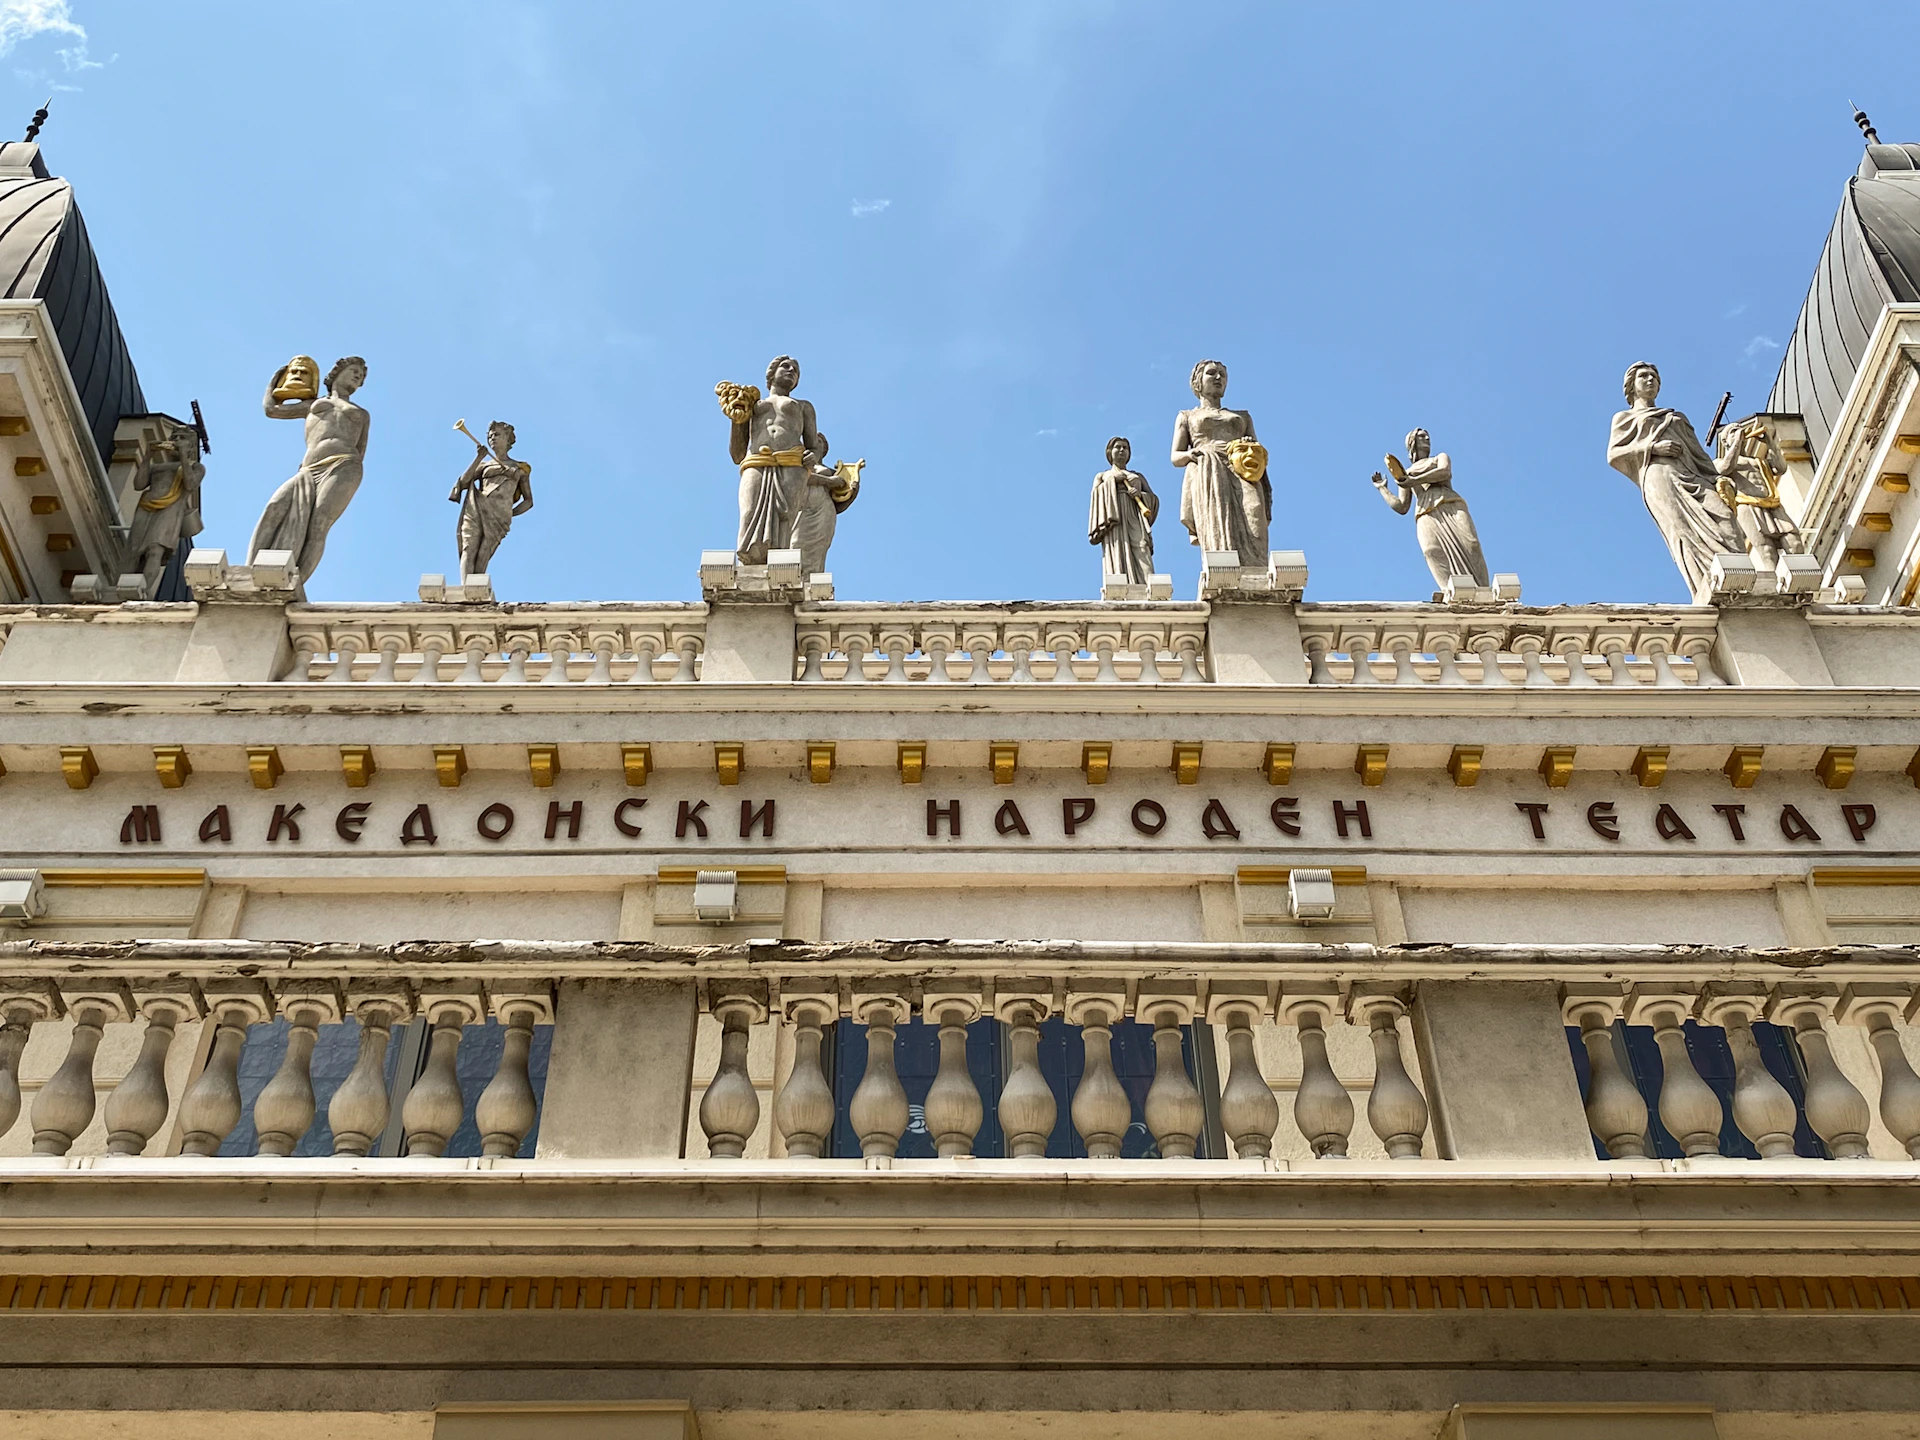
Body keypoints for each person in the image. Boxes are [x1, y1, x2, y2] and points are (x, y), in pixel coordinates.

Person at [1606, 362, 1744, 596]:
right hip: (1660, 476)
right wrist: (1654, 447)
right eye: (1643, 376)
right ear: (1631, 386)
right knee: (1681, 529)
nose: (1650, 380)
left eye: (1654, 377)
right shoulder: (1624, 418)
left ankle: (1740, 575)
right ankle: (1705, 585)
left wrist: (1734, 450)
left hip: (1693, 475)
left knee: (1726, 520)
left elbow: (1705, 462)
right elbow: (1614, 454)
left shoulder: (1676, 418)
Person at [248, 355, 370, 583]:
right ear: (336, 373)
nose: (358, 376)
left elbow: (361, 449)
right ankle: (249, 573)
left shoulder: (362, 414)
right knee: (275, 506)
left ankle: (296, 581)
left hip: (344, 464)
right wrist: (276, 380)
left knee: (319, 523)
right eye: (354, 370)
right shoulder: (313, 405)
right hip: (309, 468)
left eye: (361, 376)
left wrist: (351, 471)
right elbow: (271, 410)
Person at [724, 355, 822, 565]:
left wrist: (813, 455)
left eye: (795, 370)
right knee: (749, 511)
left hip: (792, 464)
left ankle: (780, 567)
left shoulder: (803, 406)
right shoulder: (753, 404)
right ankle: (749, 563)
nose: (791, 371)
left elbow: (814, 445)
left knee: (786, 516)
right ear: (771, 373)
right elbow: (737, 453)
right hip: (757, 462)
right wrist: (736, 419)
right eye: (785, 366)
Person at [1171, 358, 1268, 568]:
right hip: (1209, 469)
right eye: (1211, 373)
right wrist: (1193, 454)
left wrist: (1249, 444)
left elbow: (1259, 451)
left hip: (1241, 468)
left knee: (1254, 512)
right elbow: (1175, 457)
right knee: (1215, 522)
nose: (1218, 378)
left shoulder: (1242, 416)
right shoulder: (1187, 416)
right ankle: (1222, 570)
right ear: (1198, 382)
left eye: (1222, 375)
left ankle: (1256, 570)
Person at [1369, 428, 1489, 591]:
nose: (1427, 438)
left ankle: (1483, 590)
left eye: (1427, 436)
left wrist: (1414, 480)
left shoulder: (1440, 457)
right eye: (1421, 436)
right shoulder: (1407, 473)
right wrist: (1382, 488)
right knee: (1431, 550)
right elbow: (1402, 506)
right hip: (1425, 511)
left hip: (1450, 503)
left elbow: (1444, 472)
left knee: (1472, 544)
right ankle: (1448, 590)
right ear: (1412, 443)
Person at [124, 420, 204, 595]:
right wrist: (147, 456)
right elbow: (138, 484)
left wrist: (184, 456)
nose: (176, 440)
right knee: (133, 551)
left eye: (182, 438)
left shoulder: (195, 467)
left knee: (155, 550)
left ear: (190, 446)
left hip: (170, 511)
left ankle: (142, 590)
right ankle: (122, 587)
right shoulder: (157, 467)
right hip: (146, 508)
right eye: (174, 437)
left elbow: (190, 484)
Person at [450, 420, 534, 580]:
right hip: (476, 507)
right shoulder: (484, 465)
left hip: (499, 514)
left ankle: (476, 588)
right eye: (490, 436)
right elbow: (464, 481)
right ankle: (466, 588)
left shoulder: (520, 468)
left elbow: (528, 501)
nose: (492, 438)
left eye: (497, 435)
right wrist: (478, 458)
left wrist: (510, 512)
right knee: (469, 548)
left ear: (508, 439)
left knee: (484, 552)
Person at [1088, 436, 1158, 585]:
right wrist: (1113, 481)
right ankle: (1120, 583)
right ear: (1109, 452)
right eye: (1118, 447)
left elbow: (1153, 499)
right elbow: (1095, 496)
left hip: (1134, 514)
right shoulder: (1102, 476)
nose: (1121, 450)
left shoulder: (1137, 476)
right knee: (1118, 548)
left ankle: (1148, 583)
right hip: (1114, 517)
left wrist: (1140, 495)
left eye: (1125, 448)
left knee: (1142, 545)